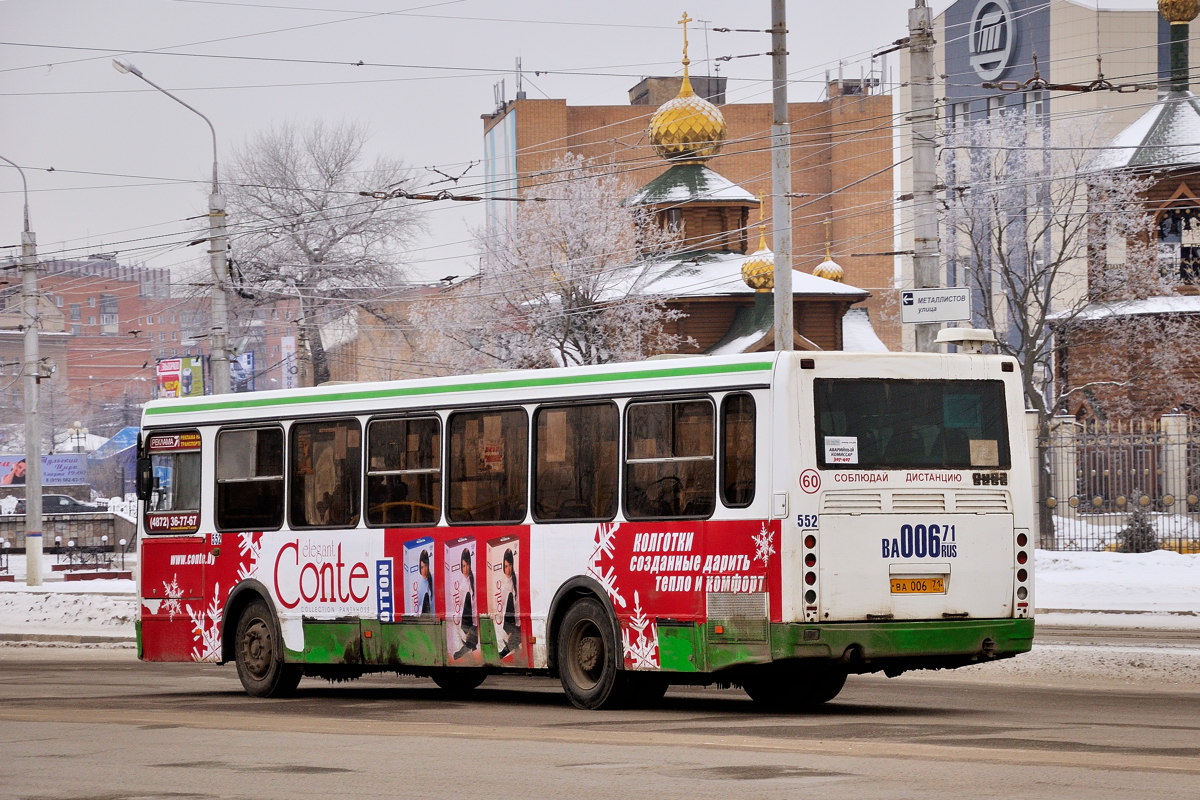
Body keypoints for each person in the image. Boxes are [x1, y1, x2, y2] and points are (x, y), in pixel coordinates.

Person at [452, 549, 478, 660]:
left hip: (475, 620)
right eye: (463, 566)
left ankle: (467, 648)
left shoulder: (475, 579)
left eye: (467, 565)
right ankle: (469, 646)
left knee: (472, 639)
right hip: (466, 621)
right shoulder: (461, 585)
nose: (465, 568)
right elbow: (462, 607)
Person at [496, 548, 521, 659]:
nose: (508, 569)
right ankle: (509, 650)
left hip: (515, 619)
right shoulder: (500, 581)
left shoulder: (516, 579)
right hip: (505, 620)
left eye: (510, 565)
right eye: (506, 566)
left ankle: (507, 651)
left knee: (517, 634)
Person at [417, 550, 434, 616]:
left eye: (426, 566)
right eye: (422, 567)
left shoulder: (433, 579)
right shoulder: (418, 585)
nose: (424, 570)